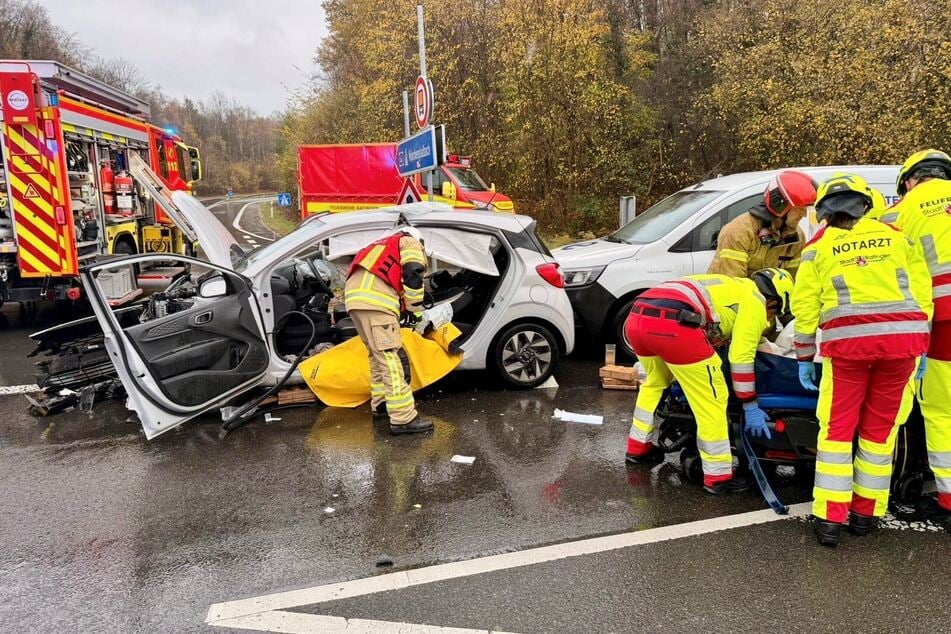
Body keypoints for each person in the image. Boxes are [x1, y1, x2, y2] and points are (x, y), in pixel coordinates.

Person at [791, 173, 932, 546]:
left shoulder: (819, 247)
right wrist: (922, 344)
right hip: (902, 346)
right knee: (879, 432)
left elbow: (805, 306)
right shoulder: (898, 238)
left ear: (824, 211)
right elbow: (922, 292)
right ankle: (865, 514)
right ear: (867, 204)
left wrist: (804, 355)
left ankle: (830, 518)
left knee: (838, 432)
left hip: (848, 348)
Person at [623, 269, 795, 494]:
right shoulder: (755, 301)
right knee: (712, 398)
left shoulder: (733, 285)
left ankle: (637, 447)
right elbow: (740, 358)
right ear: (775, 300)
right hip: (675, 325)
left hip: (638, 315)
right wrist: (749, 403)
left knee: (655, 382)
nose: (770, 319)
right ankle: (718, 476)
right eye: (773, 313)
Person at [878, 149, 951, 531]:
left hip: (942, 319)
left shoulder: (898, 213)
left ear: (909, 180)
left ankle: (948, 499)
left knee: (941, 410)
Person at [344, 225, 434, 435]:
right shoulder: (409, 241)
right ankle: (403, 417)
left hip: (355, 302)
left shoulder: (380, 246)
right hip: (377, 303)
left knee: (377, 357)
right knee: (391, 359)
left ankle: (382, 405)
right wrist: (414, 309)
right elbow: (413, 272)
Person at [708, 170, 817, 279]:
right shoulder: (739, 232)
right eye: (799, 209)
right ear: (780, 205)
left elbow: (794, 280)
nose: (804, 215)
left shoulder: (797, 237)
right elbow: (732, 283)